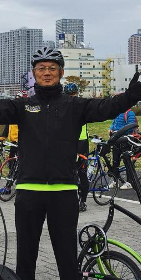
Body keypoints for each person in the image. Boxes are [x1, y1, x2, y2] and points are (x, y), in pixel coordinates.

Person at [0, 47, 141, 280]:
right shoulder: (23, 105)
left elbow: (105, 107)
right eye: (41, 68)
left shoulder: (75, 105)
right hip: (29, 191)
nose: (47, 72)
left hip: (64, 191)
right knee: (26, 256)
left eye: (52, 68)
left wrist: (129, 97)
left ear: (61, 73)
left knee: (66, 254)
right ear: (34, 74)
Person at [64, 82, 90, 211]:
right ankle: (81, 201)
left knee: (75, 172)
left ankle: (79, 201)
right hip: (80, 142)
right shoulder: (81, 104)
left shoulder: (66, 105)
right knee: (80, 172)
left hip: (75, 142)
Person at [108, 104, 136, 190]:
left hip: (125, 139)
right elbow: (114, 123)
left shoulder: (130, 113)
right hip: (116, 139)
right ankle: (115, 180)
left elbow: (130, 126)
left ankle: (129, 182)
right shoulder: (118, 112)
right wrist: (111, 129)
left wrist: (119, 132)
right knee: (115, 161)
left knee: (127, 160)